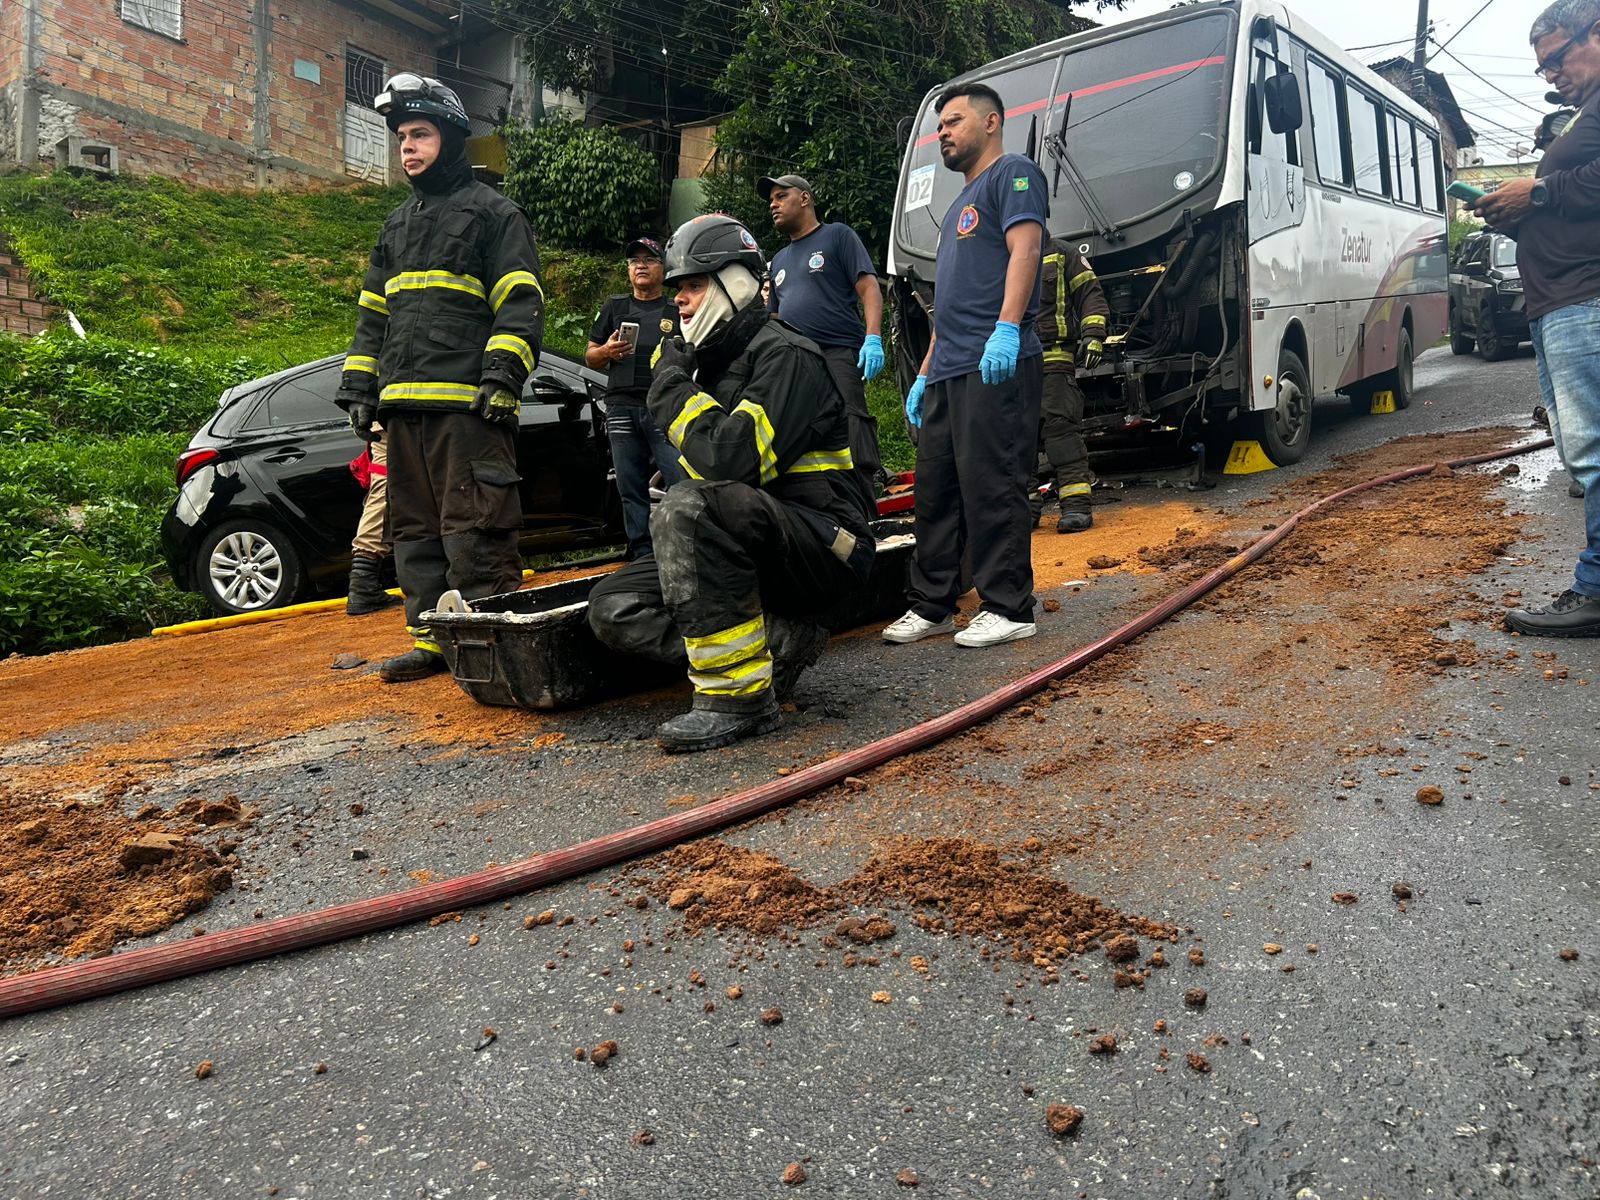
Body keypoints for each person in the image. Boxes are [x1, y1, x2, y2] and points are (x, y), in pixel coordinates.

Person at [587, 215, 876, 753]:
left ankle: (738, 699)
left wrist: (668, 386)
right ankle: (776, 644)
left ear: (737, 282)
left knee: (689, 507)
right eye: (678, 288)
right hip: (752, 544)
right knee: (613, 605)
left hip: (824, 546)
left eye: (694, 284)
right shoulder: (711, 366)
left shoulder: (785, 355)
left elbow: (731, 463)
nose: (680, 299)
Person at [337, 73, 545, 680]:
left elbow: (519, 299)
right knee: (415, 536)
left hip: (466, 409)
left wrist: (503, 377)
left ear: (451, 139)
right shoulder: (396, 226)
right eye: (402, 135)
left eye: (420, 133)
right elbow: (373, 315)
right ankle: (434, 643)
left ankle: (493, 641)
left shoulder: (494, 214)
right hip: (401, 410)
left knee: (476, 528)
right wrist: (359, 390)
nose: (407, 146)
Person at [882, 82, 1048, 649]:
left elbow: (1025, 252)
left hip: (995, 363)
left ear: (991, 122)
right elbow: (947, 305)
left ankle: (1009, 605)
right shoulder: (956, 206)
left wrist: (1006, 330)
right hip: (950, 368)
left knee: (992, 482)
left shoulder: (1014, 175)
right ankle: (933, 603)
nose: (942, 134)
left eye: (953, 122)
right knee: (936, 490)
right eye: (940, 127)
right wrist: (926, 369)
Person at [1478, 1, 1600, 637]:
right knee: (1586, 453)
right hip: (1564, 301)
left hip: (1587, 298)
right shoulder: (1585, 114)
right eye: (1542, 67)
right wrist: (1525, 208)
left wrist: (1540, 191)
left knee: (1596, 452)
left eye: (1557, 58)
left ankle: (1598, 590)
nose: (1551, 74)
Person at [759, 173, 888, 491]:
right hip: (796, 363)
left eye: (780, 196)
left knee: (851, 423)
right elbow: (775, 316)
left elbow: (869, 287)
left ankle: (865, 495)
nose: (773, 204)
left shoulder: (837, 237)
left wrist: (873, 337)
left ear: (804, 198)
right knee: (803, 432)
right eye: (771, 200)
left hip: (837, 353)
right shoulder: (778, 262)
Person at [586, 236, 687, 559]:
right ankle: (642, 552)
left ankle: (685, 545)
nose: (640, 266)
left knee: (681, 481)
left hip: (664, 408)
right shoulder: (615, 307)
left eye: (649, 259)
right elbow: (590, 356)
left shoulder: (676, 308)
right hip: (621, 407)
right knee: (630, 487)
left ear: (663, 267)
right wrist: (605, 351)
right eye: (634, 261)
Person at [1032, 238, 1109, 533]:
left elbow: (1090, 293)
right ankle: (1024, 510)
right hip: (1012, 363)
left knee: (1061, 430)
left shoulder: (1062, 253)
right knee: (1017, 440)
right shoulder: (1000, 252)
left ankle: (1076, 506)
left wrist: (1093, 334)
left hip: (1055, 357)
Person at [344, 422, 402, 614]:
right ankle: (363, 585)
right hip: (428, 414)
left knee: (382, 495)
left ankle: (363, 583)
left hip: (382, 417)